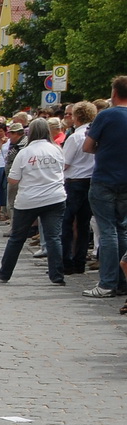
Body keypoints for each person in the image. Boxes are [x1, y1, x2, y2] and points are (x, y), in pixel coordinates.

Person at [0, 119, 68, 286]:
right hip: (55, 197)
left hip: (29, 199)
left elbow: (13, 179)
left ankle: (4, 274)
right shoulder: (57, 149)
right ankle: (57, 276)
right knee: (53, 238)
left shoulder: (25, 152)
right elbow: (62, 169)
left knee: (16, 238)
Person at [81, 75, 127, 299]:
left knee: (107, 231)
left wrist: (104, 148)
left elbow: (87, 147)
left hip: (105, 178)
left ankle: (107, 282)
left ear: (114, 93)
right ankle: (122, 280)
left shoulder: (106, 115)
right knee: (122, 230)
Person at [62, 102, 96, 278]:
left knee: (66, 222)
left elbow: (65, 163)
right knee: (83, 224)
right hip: (91, 181)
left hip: (74, 181)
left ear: (77, 117)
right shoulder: (95, 134)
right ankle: (79, 262)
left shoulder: (75, 137)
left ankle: (66, 262)